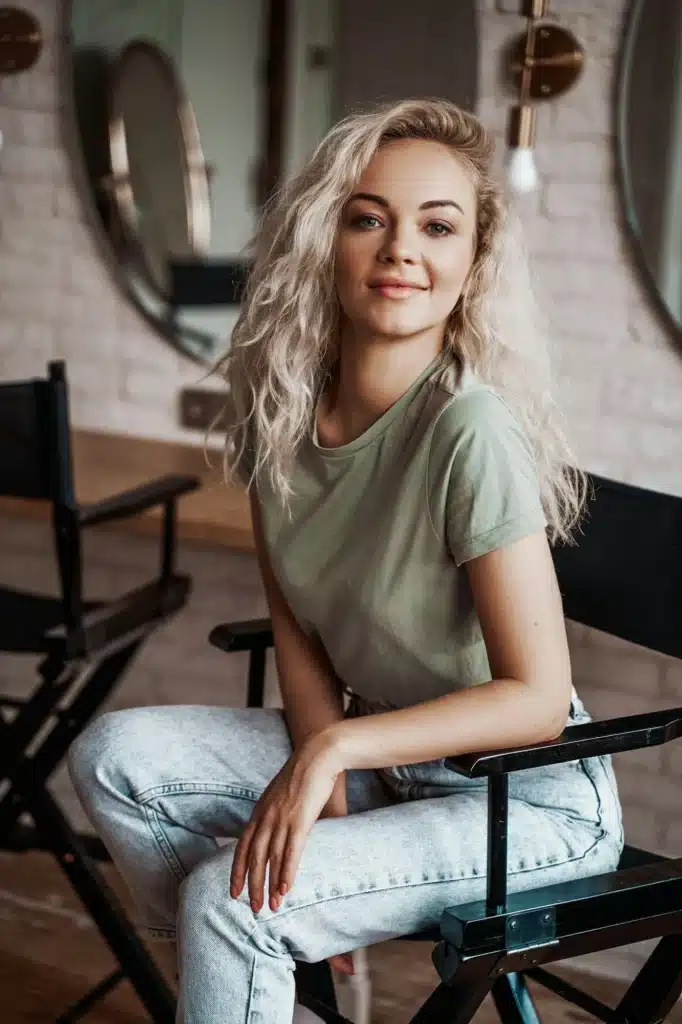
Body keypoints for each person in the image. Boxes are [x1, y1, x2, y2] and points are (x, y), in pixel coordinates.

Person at [68, 98, 624, 1023]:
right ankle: (270, 989)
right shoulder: (283, 416)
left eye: (437, 226)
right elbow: (301, 635)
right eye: (370, 218)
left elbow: (534, 700)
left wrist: (333, 750)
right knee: (114, 756)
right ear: (328, 240)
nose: (402, 248)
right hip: (390, 766)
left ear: (472, 262)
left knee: (230, 896)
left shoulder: (467, 429)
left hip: (528, 806)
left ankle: (250, 968)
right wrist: (326, 796)